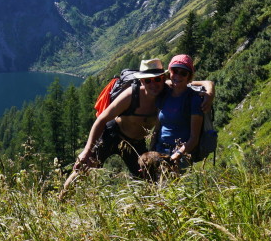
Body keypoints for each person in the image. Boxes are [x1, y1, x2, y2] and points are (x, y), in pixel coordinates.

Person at [62, 57, 214, 191]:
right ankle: (62, 198)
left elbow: (199, 82)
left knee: (147, 181)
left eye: (156, 79)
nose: (153, 83)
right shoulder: (131, 94)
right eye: (147, 80)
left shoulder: (169, 88)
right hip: (113, 134)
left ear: (163, 77)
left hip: (136, 144)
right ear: (141, 81)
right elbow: (102, 119)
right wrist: (86, 151)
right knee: (84, 167)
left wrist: (209, 92)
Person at [153, 54, 204, 169]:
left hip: (179, 155)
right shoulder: (164, 95)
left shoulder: (193, 100)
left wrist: (177, 156)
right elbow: (158, 126)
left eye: (183, 73)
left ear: (189, 76)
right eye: (175, 71)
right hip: (159, 149)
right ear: (170, 72)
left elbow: (194, 138)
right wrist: (152, 148)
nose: (178, 76)